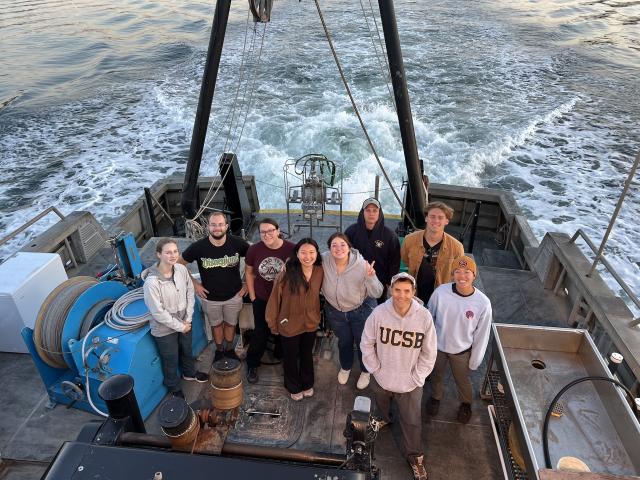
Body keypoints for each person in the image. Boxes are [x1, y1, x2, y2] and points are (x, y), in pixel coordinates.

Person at [360, 272, 437, 480]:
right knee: (381, 404)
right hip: (383, 378)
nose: (401, 295)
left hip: (410, 384)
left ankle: (415, 458)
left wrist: (417, 377)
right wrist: (375, 368)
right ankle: (384, 419)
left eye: (406, 291)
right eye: (397, 290)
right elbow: (366, 342)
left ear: (413, 292)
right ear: (390, 290)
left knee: (412, 422)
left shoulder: (424, 317)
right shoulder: (378, 313)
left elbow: (429, 353)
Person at [426, 255, 492, 424]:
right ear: (452, 274)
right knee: (436, 375)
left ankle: (466, 403)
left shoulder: (483, 303)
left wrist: (475, 359)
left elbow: (482, 334)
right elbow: (428, 317)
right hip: (439, 346)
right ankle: (435, 397)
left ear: (474, 275)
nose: (462, 276)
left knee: (462, 380)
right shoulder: (441, 292)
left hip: (462, 350)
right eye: (458, 271)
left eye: (467, 272)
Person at [142, 238, 208, 399]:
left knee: (187, 349)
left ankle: (189, 373)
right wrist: (181, 326)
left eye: (175, 252)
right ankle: (173, 386)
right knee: (170, 357)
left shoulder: (181, 269)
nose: (172, 255)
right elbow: (158, 313)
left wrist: (189, 317)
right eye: (168, 252)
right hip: (164, 327)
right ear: (159, 254)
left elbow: (189, 292)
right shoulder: (151, 282)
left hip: (184, 319)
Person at [180, 211, 250, 362]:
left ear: (226, 226)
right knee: (216, 325)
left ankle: (230, 350)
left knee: (231, 324)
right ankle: (219, 350)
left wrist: (246, 283)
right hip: (210, 298)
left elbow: (254, 259)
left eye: (220, 224)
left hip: (234, 295)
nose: (217, 228)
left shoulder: (237, 243)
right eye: (213, 225)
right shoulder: (198, 247)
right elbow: (179, 265)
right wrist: (195, 284)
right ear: (208, 227)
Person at [322, 232, 382, 389]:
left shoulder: (362, 265)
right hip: (335, 313)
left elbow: (378, 293)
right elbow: (304, 258)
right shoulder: (323, 260)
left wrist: (371, 277)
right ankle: (346, 367)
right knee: (344, 342)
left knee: (364, 343)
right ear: (329, 249)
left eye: (342, 244)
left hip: (359, 312)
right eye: (334, 245)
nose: (338, 248)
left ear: (349, 247)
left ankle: (365, 371)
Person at [266, 238, 323, 401]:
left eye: (312, 252)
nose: (308, 256)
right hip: (288, 323)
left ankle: (307, 383)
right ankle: (293, 386)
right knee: (290, 357)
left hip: (310, 322)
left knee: (306, 354)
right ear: (296, 254)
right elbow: (275, 299)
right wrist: (273, 322)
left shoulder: (320, 270)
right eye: (303, 252)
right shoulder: (287, 272)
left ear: (317, 254)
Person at [245, 218, 295, 383]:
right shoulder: (254, 250)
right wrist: (253, 297)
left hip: (283, 299)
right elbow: (249, 273)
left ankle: (280, 354)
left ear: (278, 230)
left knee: (284, 328)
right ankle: (252, 364)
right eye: (263, 232)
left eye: (270, 230)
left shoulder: (291, 249)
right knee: (260, 332)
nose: (267, 235)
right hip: (262, 297)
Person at [401, 201, 464, 304]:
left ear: (446, 221)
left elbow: (457, 273)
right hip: (414, 295)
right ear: (426, 218)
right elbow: (405, 260)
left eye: (440, 218)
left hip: (441, 298)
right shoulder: (409, 240)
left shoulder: (457, 247)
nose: (436, 220)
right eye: (432, 216)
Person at [345, 197, 401, 303]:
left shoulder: (389, 235)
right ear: (363, 212)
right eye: (368, 210)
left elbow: (394, 261)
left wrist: (390, 282)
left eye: (375, 210)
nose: (371, 213)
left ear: (379, 213)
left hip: (379, 283)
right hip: (354, 281)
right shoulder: (351, 232)